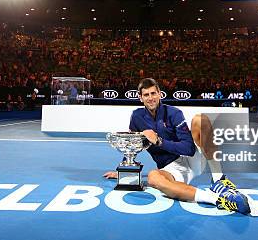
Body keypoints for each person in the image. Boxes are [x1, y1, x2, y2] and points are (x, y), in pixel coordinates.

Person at [103, 78, 250, 214]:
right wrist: (127, 169)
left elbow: (189, 149)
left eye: (153, 93)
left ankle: (218, 179)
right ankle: (219, 200)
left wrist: (159, 141)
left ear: (160, 94)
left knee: (200, 120)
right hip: (171, 169)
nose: (150, 98)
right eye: (146, 95)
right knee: (154, 178)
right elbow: (132, 144)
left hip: (192, 159)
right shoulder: (136, 117)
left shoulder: (174, 113)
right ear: (140, 98)